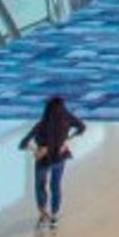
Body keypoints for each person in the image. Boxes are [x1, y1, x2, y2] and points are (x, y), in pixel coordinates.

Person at [18, 96, 86, 228]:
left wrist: (35, 150)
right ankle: (54, 216)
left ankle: (43, 214)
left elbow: (22, 144)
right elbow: (82, 127)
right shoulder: (67, 118)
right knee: (55, 186)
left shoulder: (41, 125)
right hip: (59, 158)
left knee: (40, 186)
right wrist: (68, 140)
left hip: (43, 161)